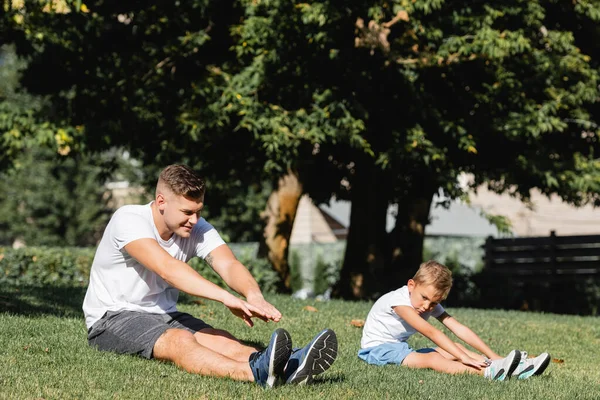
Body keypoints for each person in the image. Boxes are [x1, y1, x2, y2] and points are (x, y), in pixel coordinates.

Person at [83, 164, 337, 387]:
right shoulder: (128, 220)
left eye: (199, 211)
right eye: (187, 212)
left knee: (221, 340)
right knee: (180, 340)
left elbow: (228, 264)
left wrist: (253, 295)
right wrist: (225, 297)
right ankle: (254, 373)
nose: (194, 220)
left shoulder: (195, 227)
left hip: (164, 314)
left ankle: (290, 367)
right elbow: (168, 269)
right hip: (112, 317)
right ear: (161, 202)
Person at [358, 260, 551, 381]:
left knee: (453, 348)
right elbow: (432, 332)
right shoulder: (398, 302)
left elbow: (458, 328)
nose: (427, 307)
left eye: (434, 303)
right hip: (376, 351)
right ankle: (488, 373)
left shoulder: (428, 303)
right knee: (434, 358)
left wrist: (493, 355)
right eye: (424, 298)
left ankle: (504, 365)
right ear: (411, 285)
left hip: (399, 348)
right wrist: (463, 358)